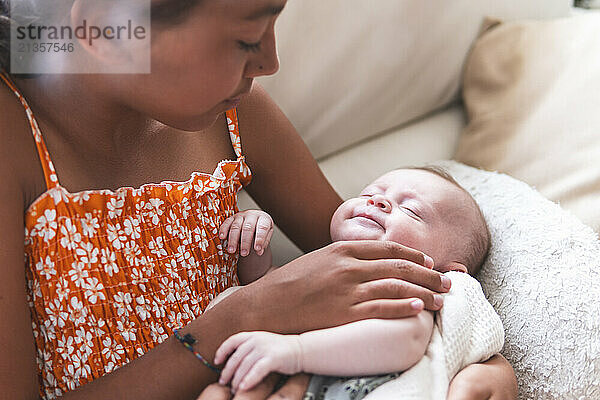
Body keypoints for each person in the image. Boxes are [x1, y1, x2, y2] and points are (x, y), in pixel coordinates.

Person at [0, 0, 517, 399]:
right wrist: (246, 316)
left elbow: (384, 268)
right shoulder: (13, 141)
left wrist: (475, 358)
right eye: (248, 39)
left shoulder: (238, 113)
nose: (270, 62)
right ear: (105, 31)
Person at [211, 167, 503, 399]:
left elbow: (406, 339)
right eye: (369, 194)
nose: (378, 201)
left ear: (444, 271)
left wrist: (296, 351)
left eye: (413, 211)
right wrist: (251, 242)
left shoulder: (410, 287)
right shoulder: (318, 267)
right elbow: (265, 289)